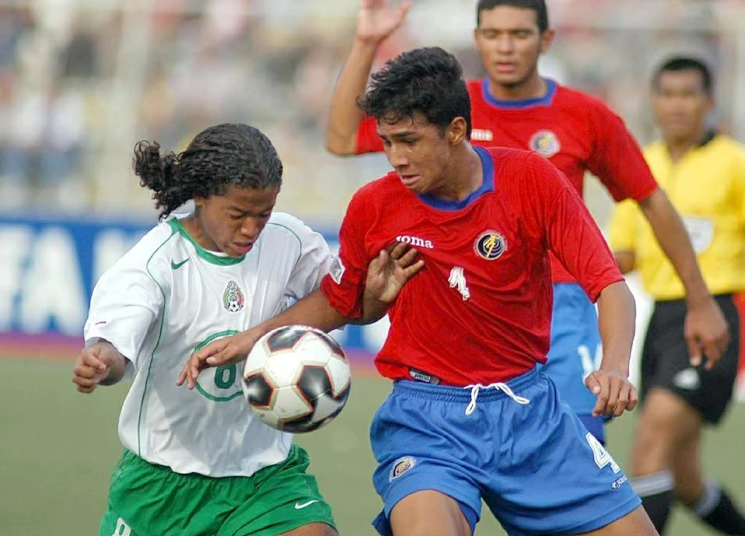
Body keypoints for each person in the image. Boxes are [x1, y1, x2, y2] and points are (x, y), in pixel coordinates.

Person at [180, 48, 659, 536]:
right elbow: (341, 302)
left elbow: (609, 286)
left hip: (529, 413)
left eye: (408, 141)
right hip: (428, 422)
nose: (395, 158)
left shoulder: (531, 179)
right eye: (387, 141)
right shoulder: (375, 205)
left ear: (455, 130)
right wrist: (254, 338)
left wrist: (615, 367)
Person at [323, 0, 729, 444]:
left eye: (519, 34)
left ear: (546, 40)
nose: (505, 47)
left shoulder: (585, 116)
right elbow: (342, 139)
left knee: (578, 439)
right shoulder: (445, 111)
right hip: (477, 306)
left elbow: (652, 202)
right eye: (493, 34)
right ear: (477, 40)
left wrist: (700, 299)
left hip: (562, 304)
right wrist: (366, 42)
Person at [71, 123, 422, 536]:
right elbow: (114, 346)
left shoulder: (288, 239)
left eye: (264, 214)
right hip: (162, 485)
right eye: (238, 215)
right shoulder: (154, 262)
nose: (252, 229)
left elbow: (345, 306)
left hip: (264, 475)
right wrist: (103, 361)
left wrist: (377, 298)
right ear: (201, 196)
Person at [608, 57, 745, 535]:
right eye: (667, 94)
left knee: (648, 449)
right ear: (654, 101)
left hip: (714, 317)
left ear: (709, 102)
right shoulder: (641, 164)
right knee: (684, 477)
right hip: (662, 322)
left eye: (688, 94)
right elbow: (623, 252)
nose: (677, 105)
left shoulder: (734, 163)